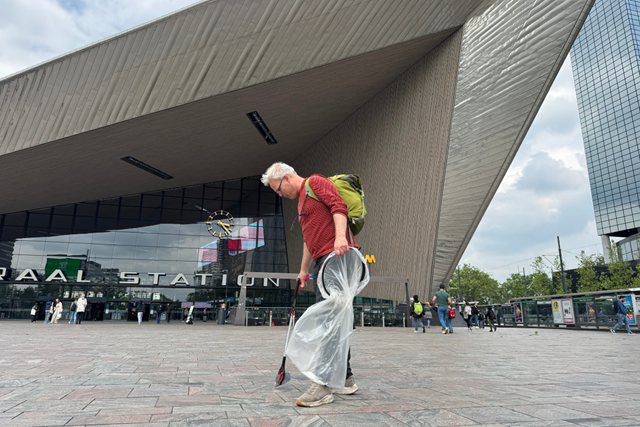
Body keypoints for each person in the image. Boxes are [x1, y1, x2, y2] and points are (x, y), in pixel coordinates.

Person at [262, 162, 358, 407]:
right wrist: (304, 270)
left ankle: (322, 384)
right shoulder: (302, 203)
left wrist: (339, 238)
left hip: (336, 256)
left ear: (285, 178)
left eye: (278, 189)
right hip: (321, 261)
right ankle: (345, 379)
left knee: (328, 320)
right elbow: (309, 239)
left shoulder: (315, 182)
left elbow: (339, 206)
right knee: (334, 318)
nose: (279, 195)